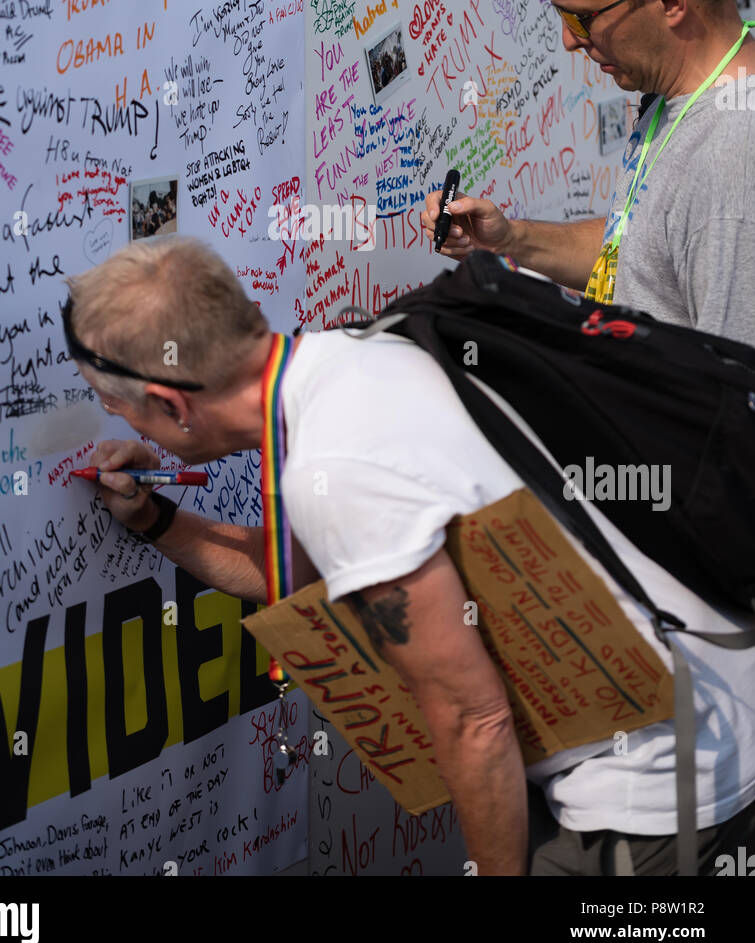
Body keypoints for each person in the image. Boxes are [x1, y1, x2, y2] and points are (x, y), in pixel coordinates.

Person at [61, 235, 755, 876]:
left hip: (654, 797)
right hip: (716, 710)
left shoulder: (339, 461)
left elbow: (470, 718)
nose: (117, 423)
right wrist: (155, 521)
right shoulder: (358, 354)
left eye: (115, 406)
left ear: (170, 404)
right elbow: (317, 588)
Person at [422, 0, 755, 346]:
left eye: (582, 19)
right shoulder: (682, 97)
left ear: (669, 1)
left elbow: (735, 394)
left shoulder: (734, 157)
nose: (568, 41)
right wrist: (512, 239)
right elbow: (644, 248)